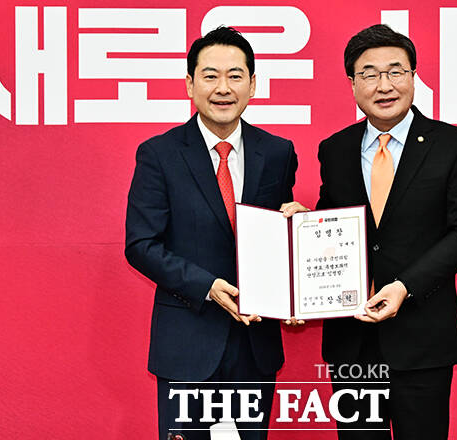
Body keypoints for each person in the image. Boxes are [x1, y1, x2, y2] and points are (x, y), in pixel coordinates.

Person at [125, 26, 302, 440]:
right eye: (210, 76)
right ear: (190, 84)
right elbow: (141, 245)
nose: (223, 88)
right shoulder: (159, 154)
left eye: (235, 76)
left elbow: (275, 236)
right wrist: (207, 287)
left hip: (255, 345)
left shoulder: (277, 152)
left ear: (252, 84)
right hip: (188, 341)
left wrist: (297, 232)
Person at [316, 24, 457, 439]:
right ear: (353, 84)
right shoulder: (335, 150)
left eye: (396, 71)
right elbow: (331, 225)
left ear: (413, 77)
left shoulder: (452, 145)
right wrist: (300, 226)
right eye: (370, 74)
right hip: (352, 342)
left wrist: (404, 287)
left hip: (422, 338)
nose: (384, 85)